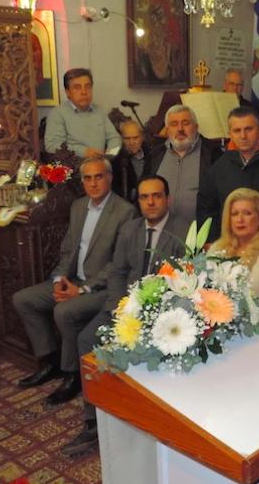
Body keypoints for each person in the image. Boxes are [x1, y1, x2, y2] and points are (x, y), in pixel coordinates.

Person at [62, 174, 188, 457]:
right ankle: (93, 421)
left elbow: (184, 283)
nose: (150, 202)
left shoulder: (182, 231)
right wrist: (118, 308)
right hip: (123, 308)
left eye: (156, 196)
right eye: (144, 197)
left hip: (161, 316)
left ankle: (137, 420)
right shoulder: (130, 229)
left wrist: (151, 316)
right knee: (87, 340)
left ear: (168, 199)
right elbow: (118, 271)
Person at [12, 157, 136, 406]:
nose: (93, 183)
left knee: (64, 311)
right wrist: (59, 279)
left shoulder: (125, 211)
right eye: (87, 178)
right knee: (23, 299)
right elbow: (68, 249)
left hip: (102, 288)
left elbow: (118, 263)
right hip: (72, 280)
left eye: (99, 177)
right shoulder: (78, 206)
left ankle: (73, 374)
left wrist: (82, 289)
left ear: (109, 178)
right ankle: (50, 362)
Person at [196, 106, 259, 246]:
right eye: (237, 130)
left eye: (248, 129)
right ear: (229, 134)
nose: (243, 136)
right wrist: (212, 243)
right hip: (229, 249)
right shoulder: (218, 169)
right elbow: (206, 209)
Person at [147, 104, 222, 229]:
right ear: (167, 130)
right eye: (174, 124)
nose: (180, 129)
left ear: (196, 127)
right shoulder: (155, 154)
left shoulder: (213, 153)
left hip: (201, 232)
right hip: (162, 232)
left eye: (186, 123)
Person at [43, 68, 122, 157]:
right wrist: (83, 152)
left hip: (101, 162)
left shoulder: (99, 111)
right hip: (74, 163)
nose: (84, 92)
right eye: (77, 88)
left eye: (87, 87)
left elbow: (114, 138)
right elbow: (52, 145)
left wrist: (109, 155)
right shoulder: (57, 114)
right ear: (68, 92)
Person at [109, 120, 148, 204]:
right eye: (127, 138)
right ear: (121, 139)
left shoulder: (152, 153)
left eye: (135, 138)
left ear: (142, 137)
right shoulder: (115, 161)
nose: (132, 142)